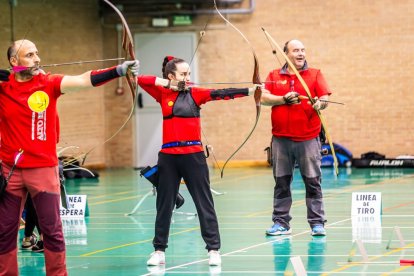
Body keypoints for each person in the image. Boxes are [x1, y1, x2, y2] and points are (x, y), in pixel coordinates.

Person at [0, 39, 139, 275]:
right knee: (4, 231)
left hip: (43, 169)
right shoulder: (3, 87)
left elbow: (84, 80)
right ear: (15, 62)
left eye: (37, 53)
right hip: (10, 170)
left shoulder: (49, 83)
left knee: (51, 230)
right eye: (30, 55)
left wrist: (118, 70)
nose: (37, 59)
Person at [138, 56, 261, 267]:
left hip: (193, 156)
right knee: (164, 204)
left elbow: (222, 94)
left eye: (188, 74)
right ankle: (159, 251)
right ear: (171, 76)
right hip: (168, 157)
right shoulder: (162, 92)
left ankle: (214, 249)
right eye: (183, 74)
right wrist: (167, 85)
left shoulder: (195, 93)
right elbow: (140, 79)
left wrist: (251, 90)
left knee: (204, 202)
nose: (187, 77)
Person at [261, 39, 331, 237]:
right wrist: (283, 99)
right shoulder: (274, 75)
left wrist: (320, 104)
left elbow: (324, 98)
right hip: (281, 140)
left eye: (303, 50)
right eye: (296, 50)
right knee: (281, 182)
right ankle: (281, 223)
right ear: (286, 54)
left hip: (308, 138)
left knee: (312, 181)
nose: (301, 54)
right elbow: (263, 98)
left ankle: (317, 223)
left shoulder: (315, 74)